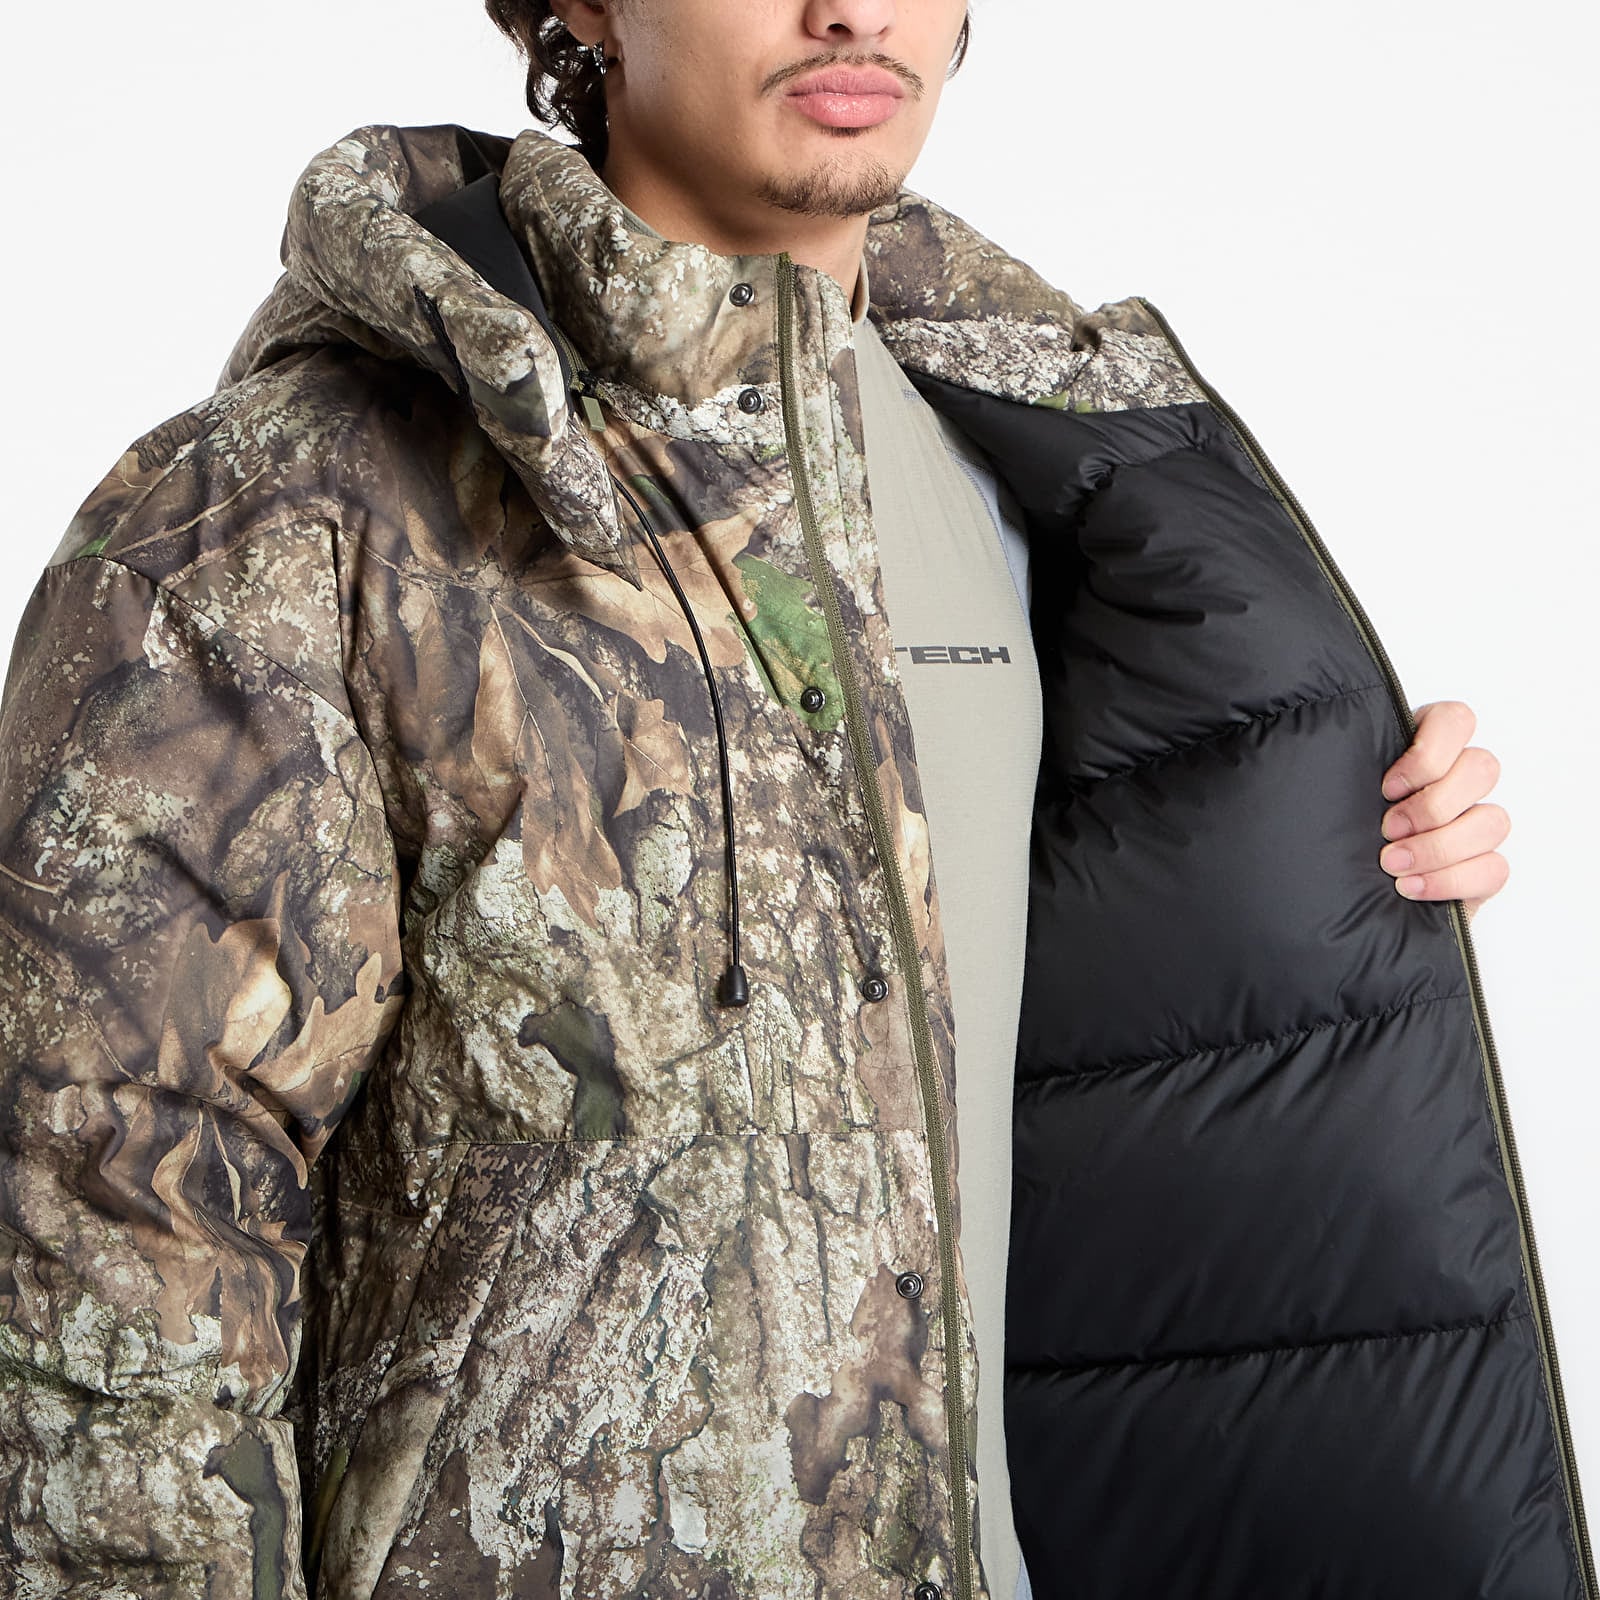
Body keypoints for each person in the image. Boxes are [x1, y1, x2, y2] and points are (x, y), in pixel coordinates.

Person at [1, 2, 1588, 1597]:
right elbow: (102, 1231)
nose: (853, 8)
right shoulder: (284, 513)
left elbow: (1088, 1081)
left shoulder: (1045, 468)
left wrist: (1323, 846)